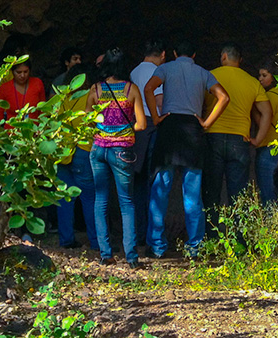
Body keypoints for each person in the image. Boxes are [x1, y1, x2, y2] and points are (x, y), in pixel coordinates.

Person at [143, 41, 229, 259]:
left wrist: (155, 117)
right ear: (194, 54)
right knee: (192, 194)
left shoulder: (165, 68)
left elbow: (148, 88)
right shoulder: (203, 72)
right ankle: (195, 247)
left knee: (160, 189)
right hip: (192, 129)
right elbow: (223, 97)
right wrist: (207, 123)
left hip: (169, 127)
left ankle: (157, 246)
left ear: (173, 53)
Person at [87, 48, 147, 268]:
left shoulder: (96, 89)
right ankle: (131, 258)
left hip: (98, 149)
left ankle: (106, 254)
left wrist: (104, 129)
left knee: (101, 200)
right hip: (122, 151)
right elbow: (141, 124)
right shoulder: (131, 89)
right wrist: (123, 128)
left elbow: (87, 120)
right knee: (126, 202)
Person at [203, 44, 271, 229]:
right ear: (240, 60)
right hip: (239, 141)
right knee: (238, 194)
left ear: (223, 56)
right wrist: (259, 139)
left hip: (212, 137)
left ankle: (211, 238)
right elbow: (266, 112)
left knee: (211, 192)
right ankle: (239, 241)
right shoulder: (252, 81)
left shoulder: (209, 76)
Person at [54, 61, 99, 251]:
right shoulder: (91, 95)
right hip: (83, 149)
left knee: (65, 198)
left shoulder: (61, 98)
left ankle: (66, 240)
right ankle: (97, 242)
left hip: (62, 151)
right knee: (90, 198)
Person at [129, 39, 165, 244]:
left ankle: (139, 232)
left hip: (137, 125)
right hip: (153, 123)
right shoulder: (156, 72)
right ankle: (154, 235)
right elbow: (158, 101)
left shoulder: (134, 72)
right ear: (162, 54)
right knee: (156, 180)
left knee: (139, 180)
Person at [254, 63, 278, 205]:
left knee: (268, 193)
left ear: (273, 77)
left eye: (264, 75)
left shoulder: (269, 97)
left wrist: (254, 111)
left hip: (270, 146)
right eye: (260, 75)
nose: (260, 79)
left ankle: (271, 223)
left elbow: (262, 122)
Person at [0, 57, 46, 124]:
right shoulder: (5, 88)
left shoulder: (37, 83)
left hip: (35, 131)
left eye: (25, 72)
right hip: (12, 132)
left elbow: (43, 110)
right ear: (12, 72)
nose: (22, 75)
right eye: (19, 72)